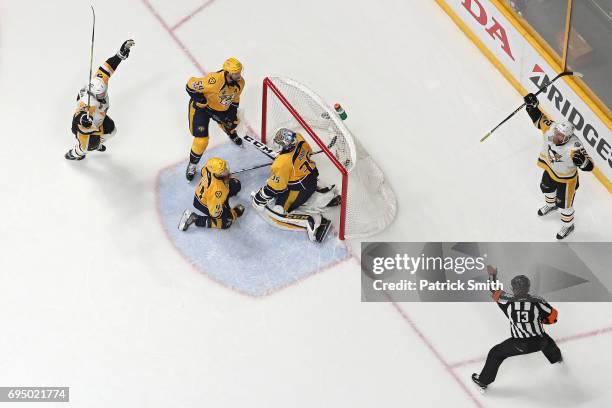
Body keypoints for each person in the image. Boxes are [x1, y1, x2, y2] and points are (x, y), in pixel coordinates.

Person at [471, 265, 562, 392]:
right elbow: (554, 318)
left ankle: (483, 381)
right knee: (546, 340)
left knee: (495, 353)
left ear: (513, 289)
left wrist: (493, 275)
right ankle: (557, 358)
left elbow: (493, 290)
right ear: (528, 288)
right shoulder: (538, 301)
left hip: (521, 345)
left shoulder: (507, 300)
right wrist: (542, 320)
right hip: (540, 342)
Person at [523, 92, 594, 240]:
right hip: (550, 170)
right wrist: (531, 106)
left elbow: (589, 165)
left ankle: (569, 226)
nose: (556, 136)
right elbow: (539, 118)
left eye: (561, 136)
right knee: (546, 189)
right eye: (557, 133)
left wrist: (585, 163)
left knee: (565, 207)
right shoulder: (552, 129)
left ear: (567, 137)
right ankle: (551, 205)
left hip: (566, 181)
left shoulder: (574, 146)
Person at [251, 128, 340, 242]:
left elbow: (276, 187)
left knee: (279, 210)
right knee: (295, 179)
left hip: (300, 190)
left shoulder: (282, 163)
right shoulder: (299, 138)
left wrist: (261, 196)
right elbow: (309, 151)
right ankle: (325, 197)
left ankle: (314, 222)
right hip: (312, 179)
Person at [65, 40, 135, 160]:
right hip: (85, 129)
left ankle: (98, 143)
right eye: (101, 95)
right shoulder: (87, 103)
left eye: (104, 93)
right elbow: (78, 116)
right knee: (88, 147)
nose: (103, 96)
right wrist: (84, 120)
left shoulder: (98, 81)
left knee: (112, 131)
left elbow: (107, 67)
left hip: (99, 121)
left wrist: (120, 55)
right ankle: (75, 153)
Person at [184, 58, 245, 181]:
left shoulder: (240, 83)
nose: (239, 75)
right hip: (202, 109)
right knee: (201, 141)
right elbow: (190, 85)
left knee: (232, 124)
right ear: (228, 72)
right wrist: (201, 100)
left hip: (219, 107)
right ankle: (192, 165)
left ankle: (231, 133)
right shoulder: (214, 80)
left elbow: (235, 99)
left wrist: (232, 115)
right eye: (236, 73)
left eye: (239, 72)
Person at [178, 157, 244, 231]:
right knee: (226, 222)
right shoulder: (218, 191)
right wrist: (231, 214)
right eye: (224, 170)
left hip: (204, 194)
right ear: (219, 173)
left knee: (236, 185)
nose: (227, 170)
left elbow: (203, 172)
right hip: (203, 204)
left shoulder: (209, 168)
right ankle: (195, 218)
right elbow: (215, 213)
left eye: (225, 167)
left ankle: (224, 203)